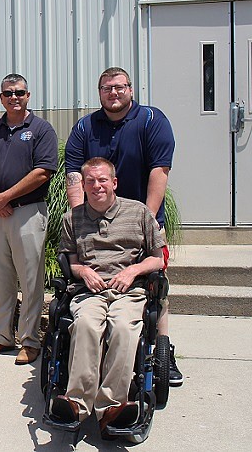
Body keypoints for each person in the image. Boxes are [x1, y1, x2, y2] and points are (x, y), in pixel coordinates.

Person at [64, 66, 182, 387]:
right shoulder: (85, 127)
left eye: (119, 87)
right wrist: (80, 220)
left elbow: (160, 171)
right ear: (99, 92)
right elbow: (75, 176)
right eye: (106, 88)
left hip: (144, 219)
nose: (113, 93)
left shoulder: (151, 121)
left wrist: (143, 219)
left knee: (156, 285)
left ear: (130, 89)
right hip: (95, 223)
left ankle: (162, 350)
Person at [51, 157, 165, 437]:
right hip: (90, 291)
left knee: (124, 328)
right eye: (90, 181)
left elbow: (157, 259)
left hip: (129, 290)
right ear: (84, 186)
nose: (97, 185)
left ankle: (111, 406)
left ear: (114, 183)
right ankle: (77, 405)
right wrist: (82, 271)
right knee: (86, 325)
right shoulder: (72, 219)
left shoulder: (138, 212)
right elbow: (70, 261)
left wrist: (133, 271)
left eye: (102, 180)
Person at [0, 74, 58, 365]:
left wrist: (5, 196)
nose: (14, 97)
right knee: (1, 278)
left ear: (28, 95)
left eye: (19, 92)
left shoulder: (41, 129)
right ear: (1, 97)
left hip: (27, 213)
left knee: (30, 279)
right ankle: (1, 338)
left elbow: (43, 171)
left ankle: (31, 341)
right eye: (8, 93)